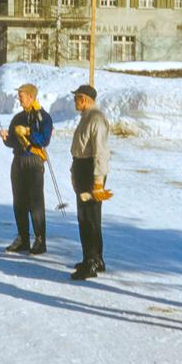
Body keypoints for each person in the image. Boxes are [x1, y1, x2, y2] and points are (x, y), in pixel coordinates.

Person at [0, 83, 53, 255]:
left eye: (21, 95)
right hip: (19, 160)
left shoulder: (43, 117)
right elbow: (13, 142)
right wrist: (6, 138)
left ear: (31, 96)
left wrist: (28, 132)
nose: (18, 98)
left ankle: (40, 240)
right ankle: (23, 238)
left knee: (35, 202)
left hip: (34, 161)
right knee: (19, 201)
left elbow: (44, 140)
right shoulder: (18, 117)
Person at [69, 84, 112, 280]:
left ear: (84, 98)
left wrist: (98, 181)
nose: (74, 101)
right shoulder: (86, 117)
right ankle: (94, 258)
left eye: (76, 97)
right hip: (82, 169)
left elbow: (100, 152)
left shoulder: (96, 119)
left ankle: (92, 262)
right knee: (86, 217)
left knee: (90, 219)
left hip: (90, 172)